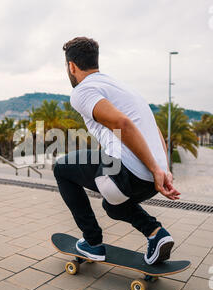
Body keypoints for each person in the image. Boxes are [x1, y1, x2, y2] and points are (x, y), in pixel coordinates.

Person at [53, 37, 181, 265]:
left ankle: (92, 243)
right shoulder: (122, 88)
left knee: (61, 168)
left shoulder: (83, 91)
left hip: (128, 175)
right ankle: (156, 234)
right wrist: (162, 169)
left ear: (71, 66)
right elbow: (155, 129)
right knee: (112, 205)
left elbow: (122, 124)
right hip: (150, 181)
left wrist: (155, 168)